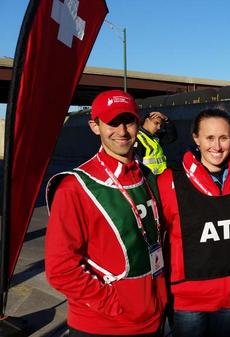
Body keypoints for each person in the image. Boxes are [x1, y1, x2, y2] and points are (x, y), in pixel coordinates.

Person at [45, 90, 167, 336]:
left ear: (138, 123)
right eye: (111, 122)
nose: (121, 131)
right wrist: (116, 305)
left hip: (152, 319)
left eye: (128, 121)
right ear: (95, 126)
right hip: (104, 326)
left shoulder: (147, 177)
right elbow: (61, 270)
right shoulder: (74, 187)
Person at [157, 108, 230, 337]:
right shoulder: (170, 180)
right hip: (189, 300)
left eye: (224, 138)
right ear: (196, 138)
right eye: (209, 138)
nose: (217, 146)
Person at [134, 110, 178, 175]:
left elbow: (172, 136)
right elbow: (136, 164)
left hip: (162, 177)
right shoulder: (138, 138)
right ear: (147, 120)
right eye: (156, 123)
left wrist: (166, 119)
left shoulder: (155, 137)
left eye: (160, 124)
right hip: (150, 179)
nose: (159, 127)